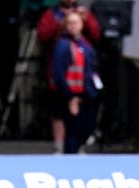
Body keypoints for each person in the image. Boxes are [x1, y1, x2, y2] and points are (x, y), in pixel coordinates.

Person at [37, 0, 100, 153]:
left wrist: (86, 18)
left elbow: (96, 34)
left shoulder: (83, 42)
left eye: (76, 23)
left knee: (82, 123)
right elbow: (42, 35)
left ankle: (79, 146)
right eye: (70, 23)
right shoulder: (53, 18)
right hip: (65, 86)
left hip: (83, 87)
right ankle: (61, 148)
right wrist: (70, 95)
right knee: (62, 117)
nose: (73, 26)